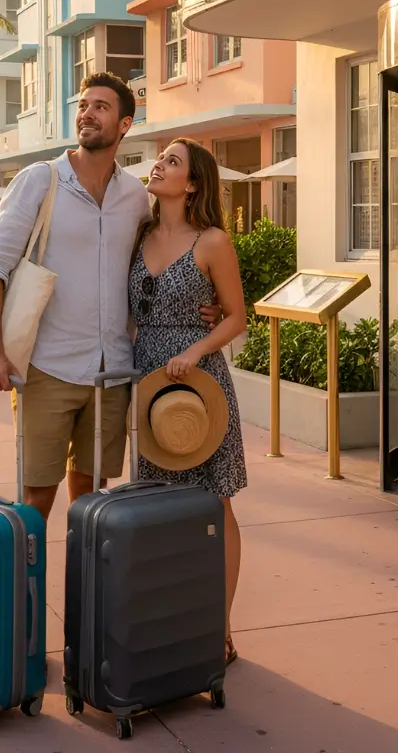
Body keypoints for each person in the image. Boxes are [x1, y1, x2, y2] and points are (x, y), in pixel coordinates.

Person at [0, 72, 221, 523]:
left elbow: (160, 265)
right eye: (84, 105)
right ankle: (22, 591)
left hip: (113, 373)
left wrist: (207, 302)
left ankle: (82, 591)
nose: (87, 113)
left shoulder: (135, 196)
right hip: (46, 368)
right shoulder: (40, 181)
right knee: (36, 498)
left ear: (124, 124)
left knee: (91, 499)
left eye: (100, 107)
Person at [131, 138, 248, 666]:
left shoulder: (213, 241)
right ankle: (167, 618)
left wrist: (196, 349)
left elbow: (235, 316)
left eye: (172, 161)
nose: (159, 165)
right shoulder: (138, 235)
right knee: (155, 503)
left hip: (199, 386)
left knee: (214, 502)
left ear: (194, 182)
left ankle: (219, 626)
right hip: (149, 385)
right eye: (160, 158)